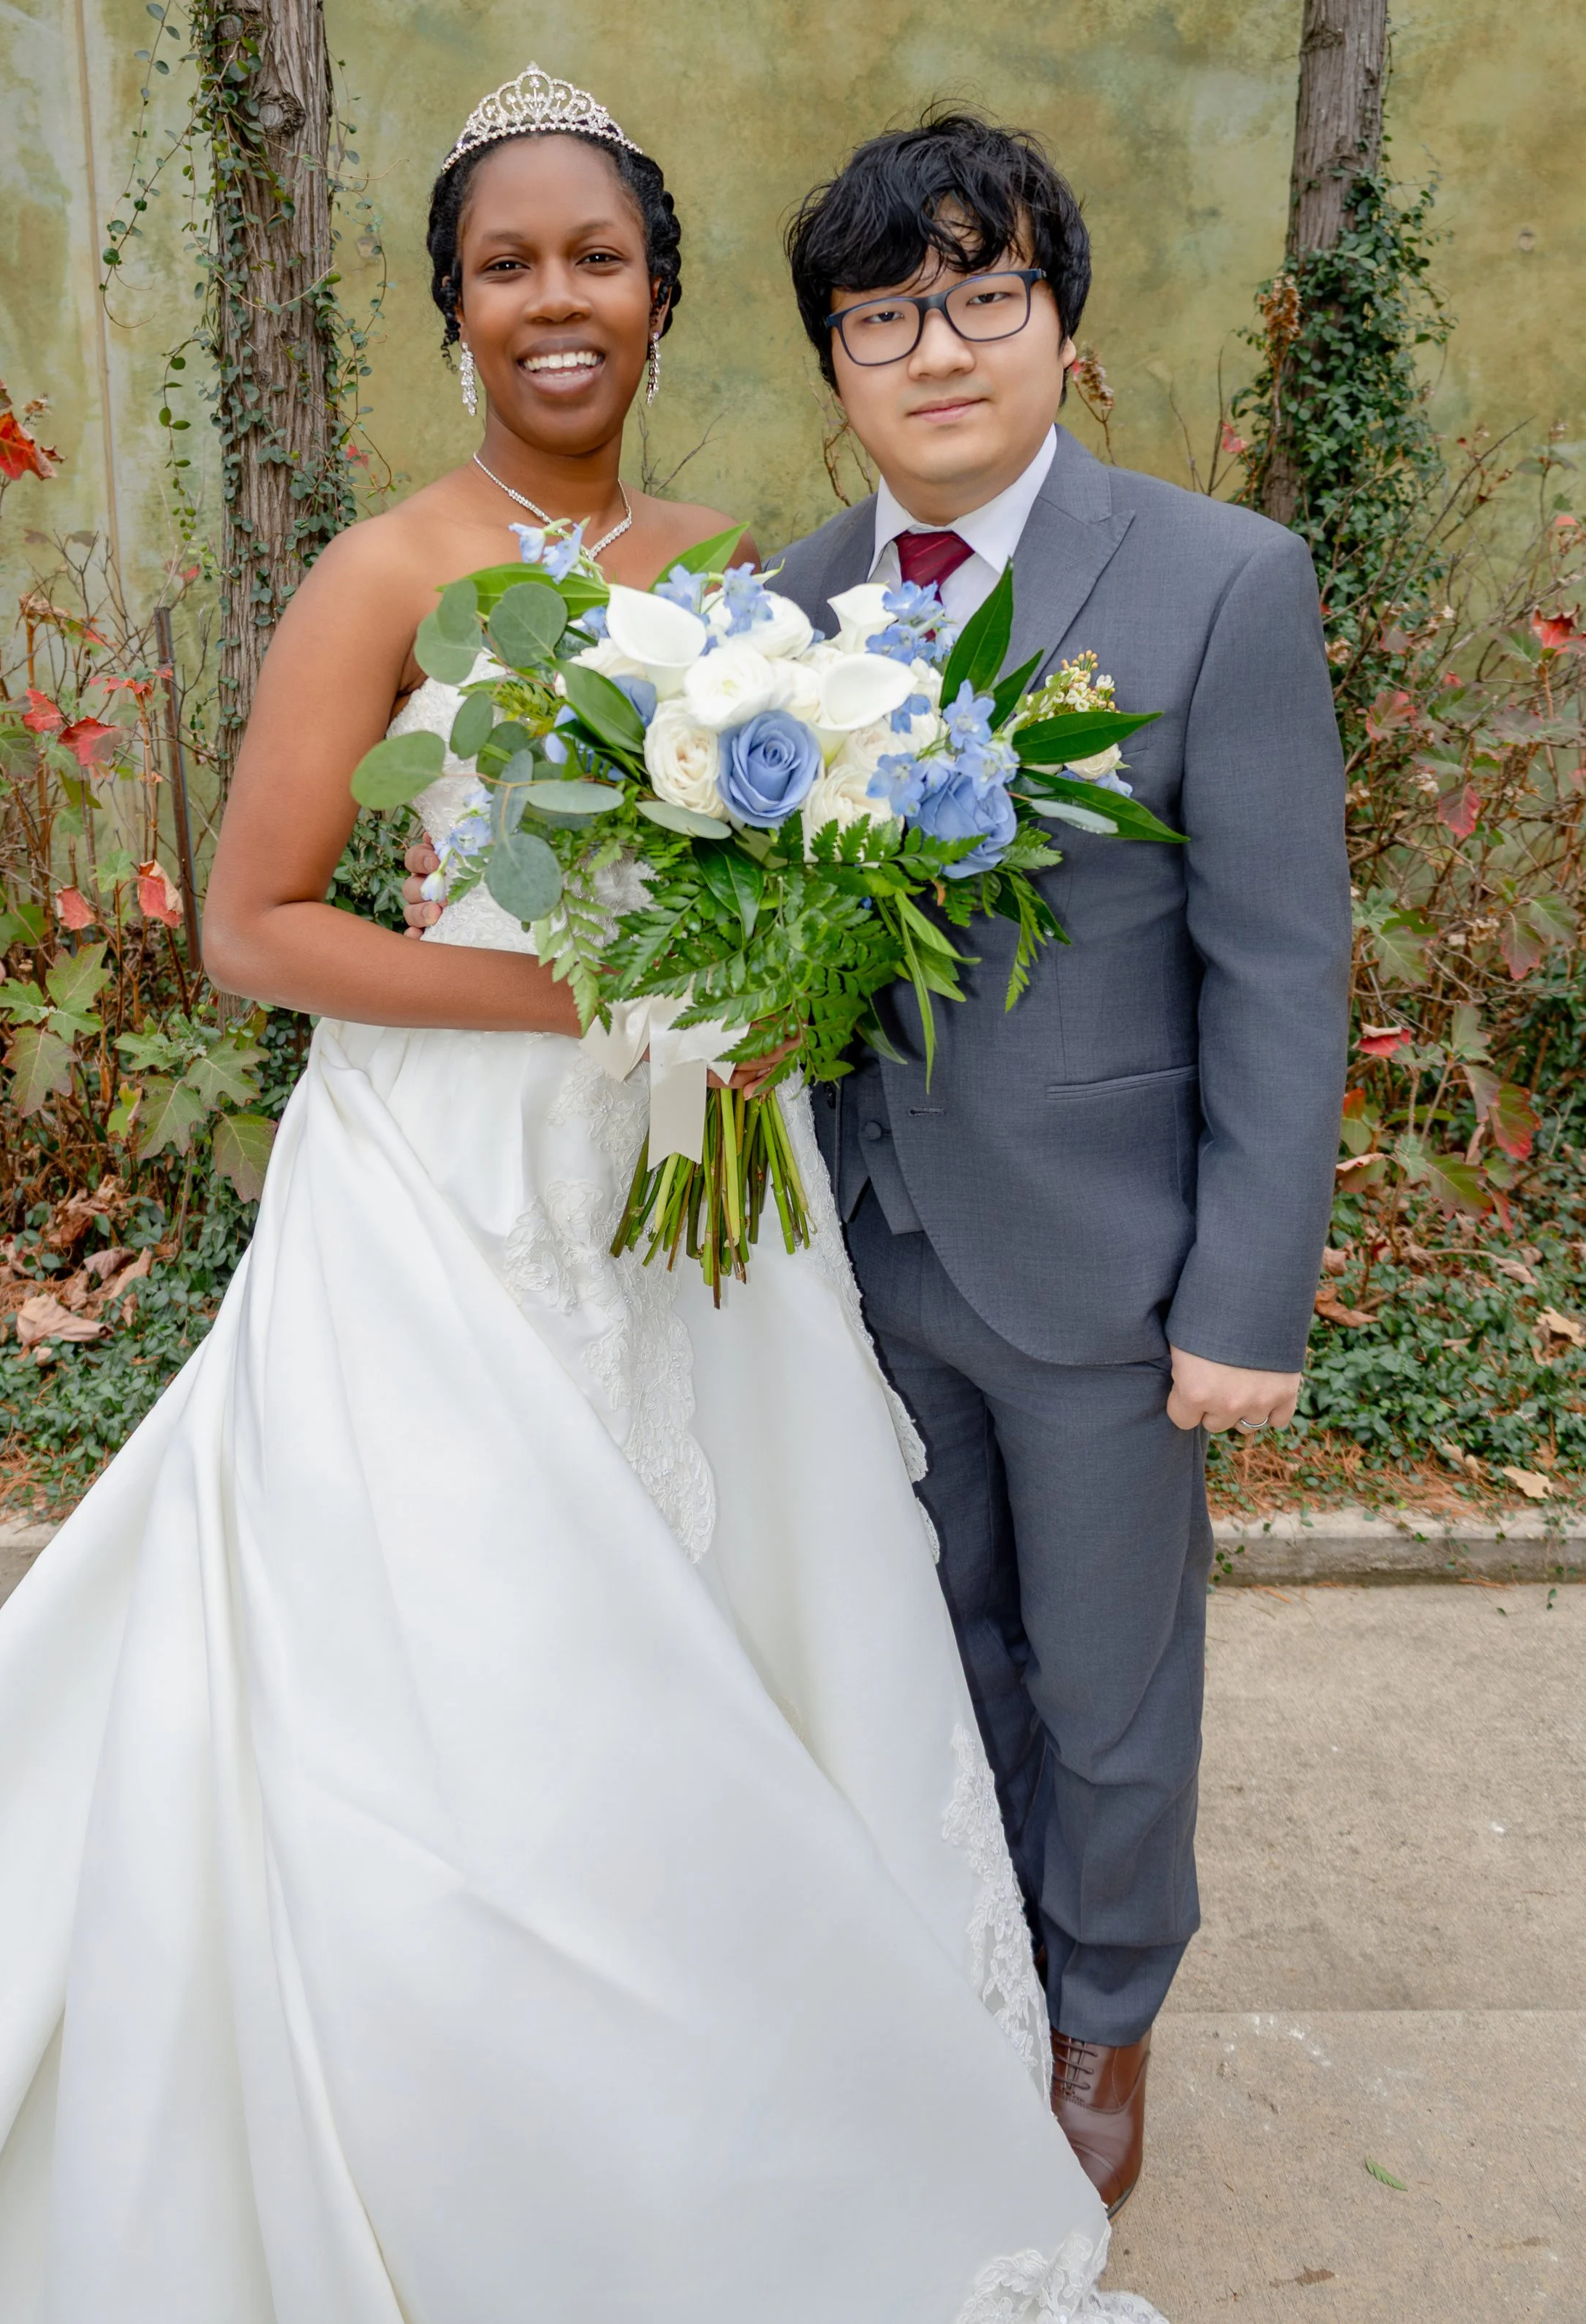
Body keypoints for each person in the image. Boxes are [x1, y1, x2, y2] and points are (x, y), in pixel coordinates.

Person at [0, 70, 1164, 2324]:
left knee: (733, 1604)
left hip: (695, 1187)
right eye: (506, 264)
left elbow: (791, 867)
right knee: (476, 1650)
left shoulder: (739, 568)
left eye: (593, 260)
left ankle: (731, 2076)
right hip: (437, 1193)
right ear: (450, 311)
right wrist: (577, 996)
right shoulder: (389, 569)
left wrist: (767, 978)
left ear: (659, 296)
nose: (553, 300)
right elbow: (253, 925)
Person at [410, 105, 1351, 2220]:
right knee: (940, 1647)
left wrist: (1243, 1302)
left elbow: (1282, 970)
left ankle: (1105, 2010)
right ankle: (983, 1974)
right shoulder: (779, 602)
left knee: (1111, 1671)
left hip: (1105, 1265)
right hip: (848, 1251)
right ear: (833, 363)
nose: (939, 347)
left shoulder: (1217, 584)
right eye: (883, 314)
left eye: (982, 295)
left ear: (1058, 323)